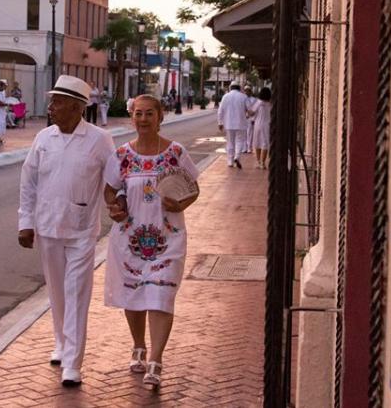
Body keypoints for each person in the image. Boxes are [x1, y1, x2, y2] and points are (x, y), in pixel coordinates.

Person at [18, 75, 114, 387]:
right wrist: (25, 223)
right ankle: (60, 343)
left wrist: (124, 205)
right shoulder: (44, 138)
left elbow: (113, 181)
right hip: (47, 227)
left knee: (76, 294)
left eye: (57, 102)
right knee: (56, 292)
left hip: (81, 229)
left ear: (76, 107)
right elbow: (28, 182)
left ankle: (73, 363)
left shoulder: (99, 139)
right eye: (52, 101)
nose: (51, 107)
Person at [103, 94, 200, 389]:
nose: (143, 119)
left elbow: (193, 188)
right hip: (129, 239)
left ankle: (156, 360)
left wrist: (182, 204)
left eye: (149, 114)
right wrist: (115, 207)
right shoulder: (121, 155)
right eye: (138, 114)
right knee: (134, 296)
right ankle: (138, 345)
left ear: (160, 116)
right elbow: (110, 191)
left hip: (168, 238)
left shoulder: (175, 152)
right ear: (132, 118)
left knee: (161, 295)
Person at [218, 83, 250, 169]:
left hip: (228, 123)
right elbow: (249, 109)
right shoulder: (244, 97)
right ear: (239, 88)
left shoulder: (225, 97)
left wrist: (220, 122)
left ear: (230, 88)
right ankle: (237, 157)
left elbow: (220, 111)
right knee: (239, 141)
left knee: (230, 142)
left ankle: (230, 162)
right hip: (241, 123)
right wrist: (248, 114)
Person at [249, 87, 272, 169]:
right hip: (267, 124)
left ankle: (258, 161)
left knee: (257, 142)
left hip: (258, 124)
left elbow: (251, 113)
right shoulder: (270, 104)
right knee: (265, 143)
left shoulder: (258, 103)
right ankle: (263, 163)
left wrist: (247, 111)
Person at [243, 85, 256, 153]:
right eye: (245, 90)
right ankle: (244, 148)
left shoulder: (254, 99)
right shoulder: (242, 99)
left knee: (250, 134)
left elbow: (255, 110)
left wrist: (253, 119)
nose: (246, 92)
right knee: (243, 134)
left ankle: (249, 148)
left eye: (248, 90)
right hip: (243, 119)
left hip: (250, 119)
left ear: (250, 91)